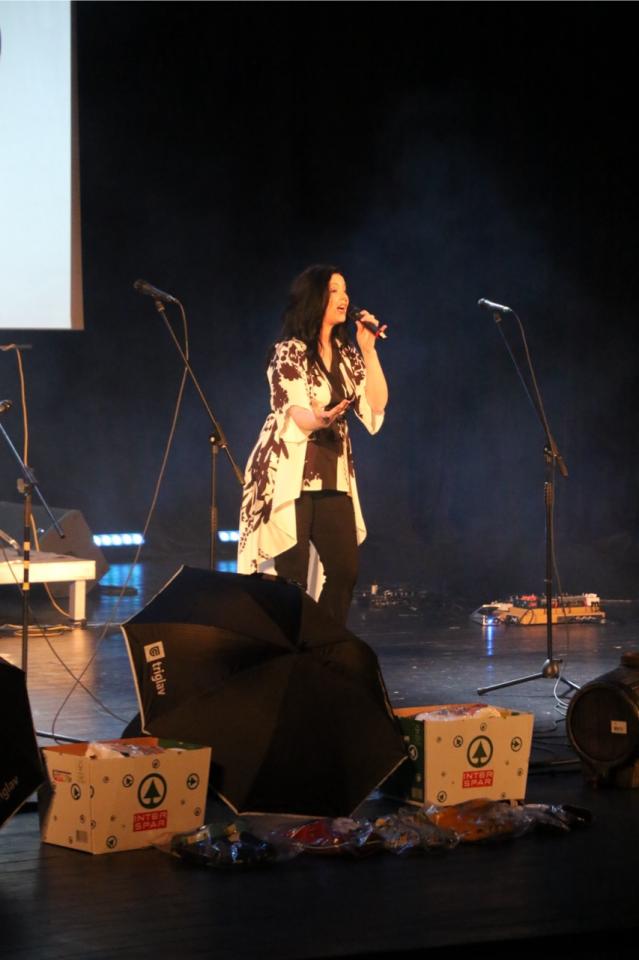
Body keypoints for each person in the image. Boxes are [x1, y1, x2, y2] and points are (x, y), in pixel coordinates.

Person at [237, 264, 388, 625]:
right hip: (290, 472)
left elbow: (377, 404)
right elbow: (296, 412)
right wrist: (320, 417)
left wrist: (368, 351)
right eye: (335, 290)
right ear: (315, 297)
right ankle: (290, 644)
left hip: (332, 474)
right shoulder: (288, 351)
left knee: (345, 570)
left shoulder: (347, 354)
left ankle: (322, 642)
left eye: (345, 290)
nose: (344, 297)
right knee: (292, 575)